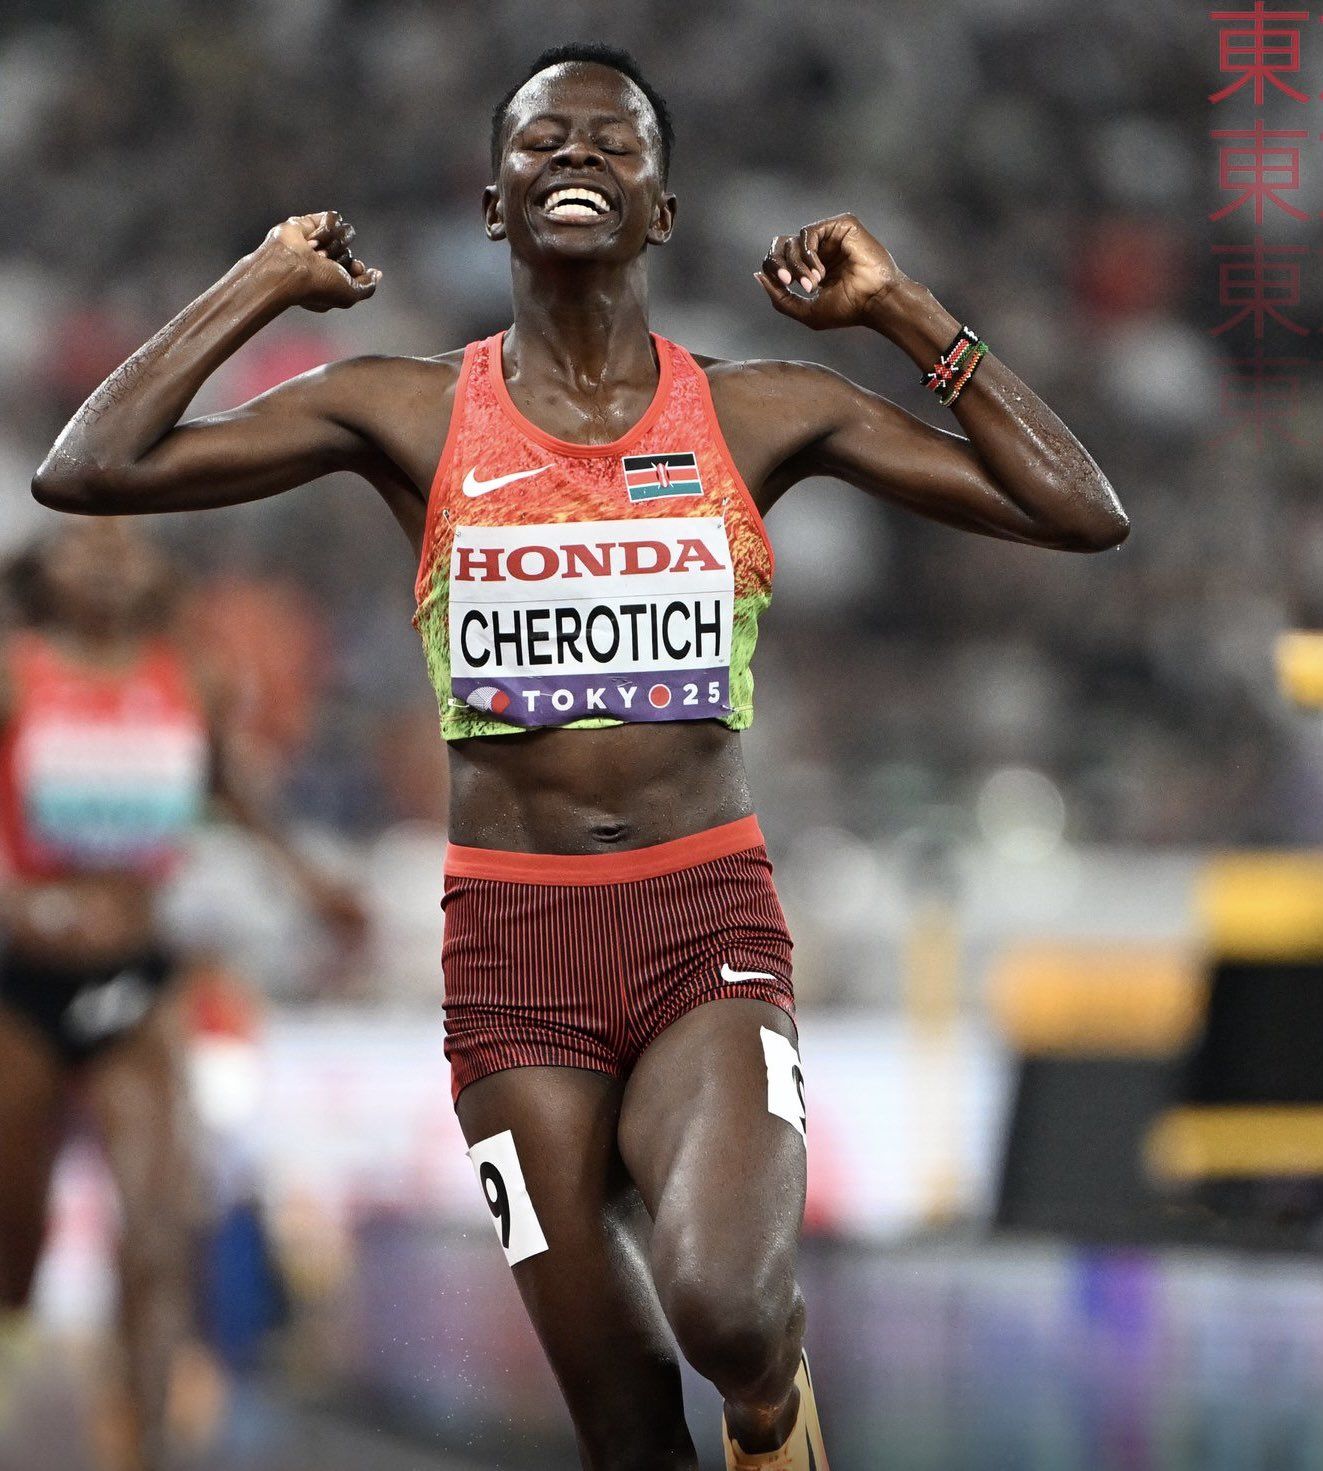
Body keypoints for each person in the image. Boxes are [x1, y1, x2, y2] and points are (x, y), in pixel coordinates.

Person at [30, 41, 1128, 1471]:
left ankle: (770, 1417)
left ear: (662, 209)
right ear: (492, 203)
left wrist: (904, 310)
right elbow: (87, 467)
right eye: (542, 145)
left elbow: (1077, 511)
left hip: (702, 925)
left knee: (729, 1308)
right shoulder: (407, 410)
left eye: (613, 147)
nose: (576, 164)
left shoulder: (755, 409)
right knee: (618, 1422)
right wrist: (262, 283)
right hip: (509, 953)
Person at [0, 518, 364, 1471]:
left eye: (128, 543)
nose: (112, 558)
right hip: (21, 985)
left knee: (162, 1225)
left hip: (139, 976)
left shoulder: (187, 677)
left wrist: (314, 884)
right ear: (47, 573)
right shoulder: (16, 673)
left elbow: (233, 793)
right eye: (87, 544)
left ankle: (149, 1445)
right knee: (14, 1247)